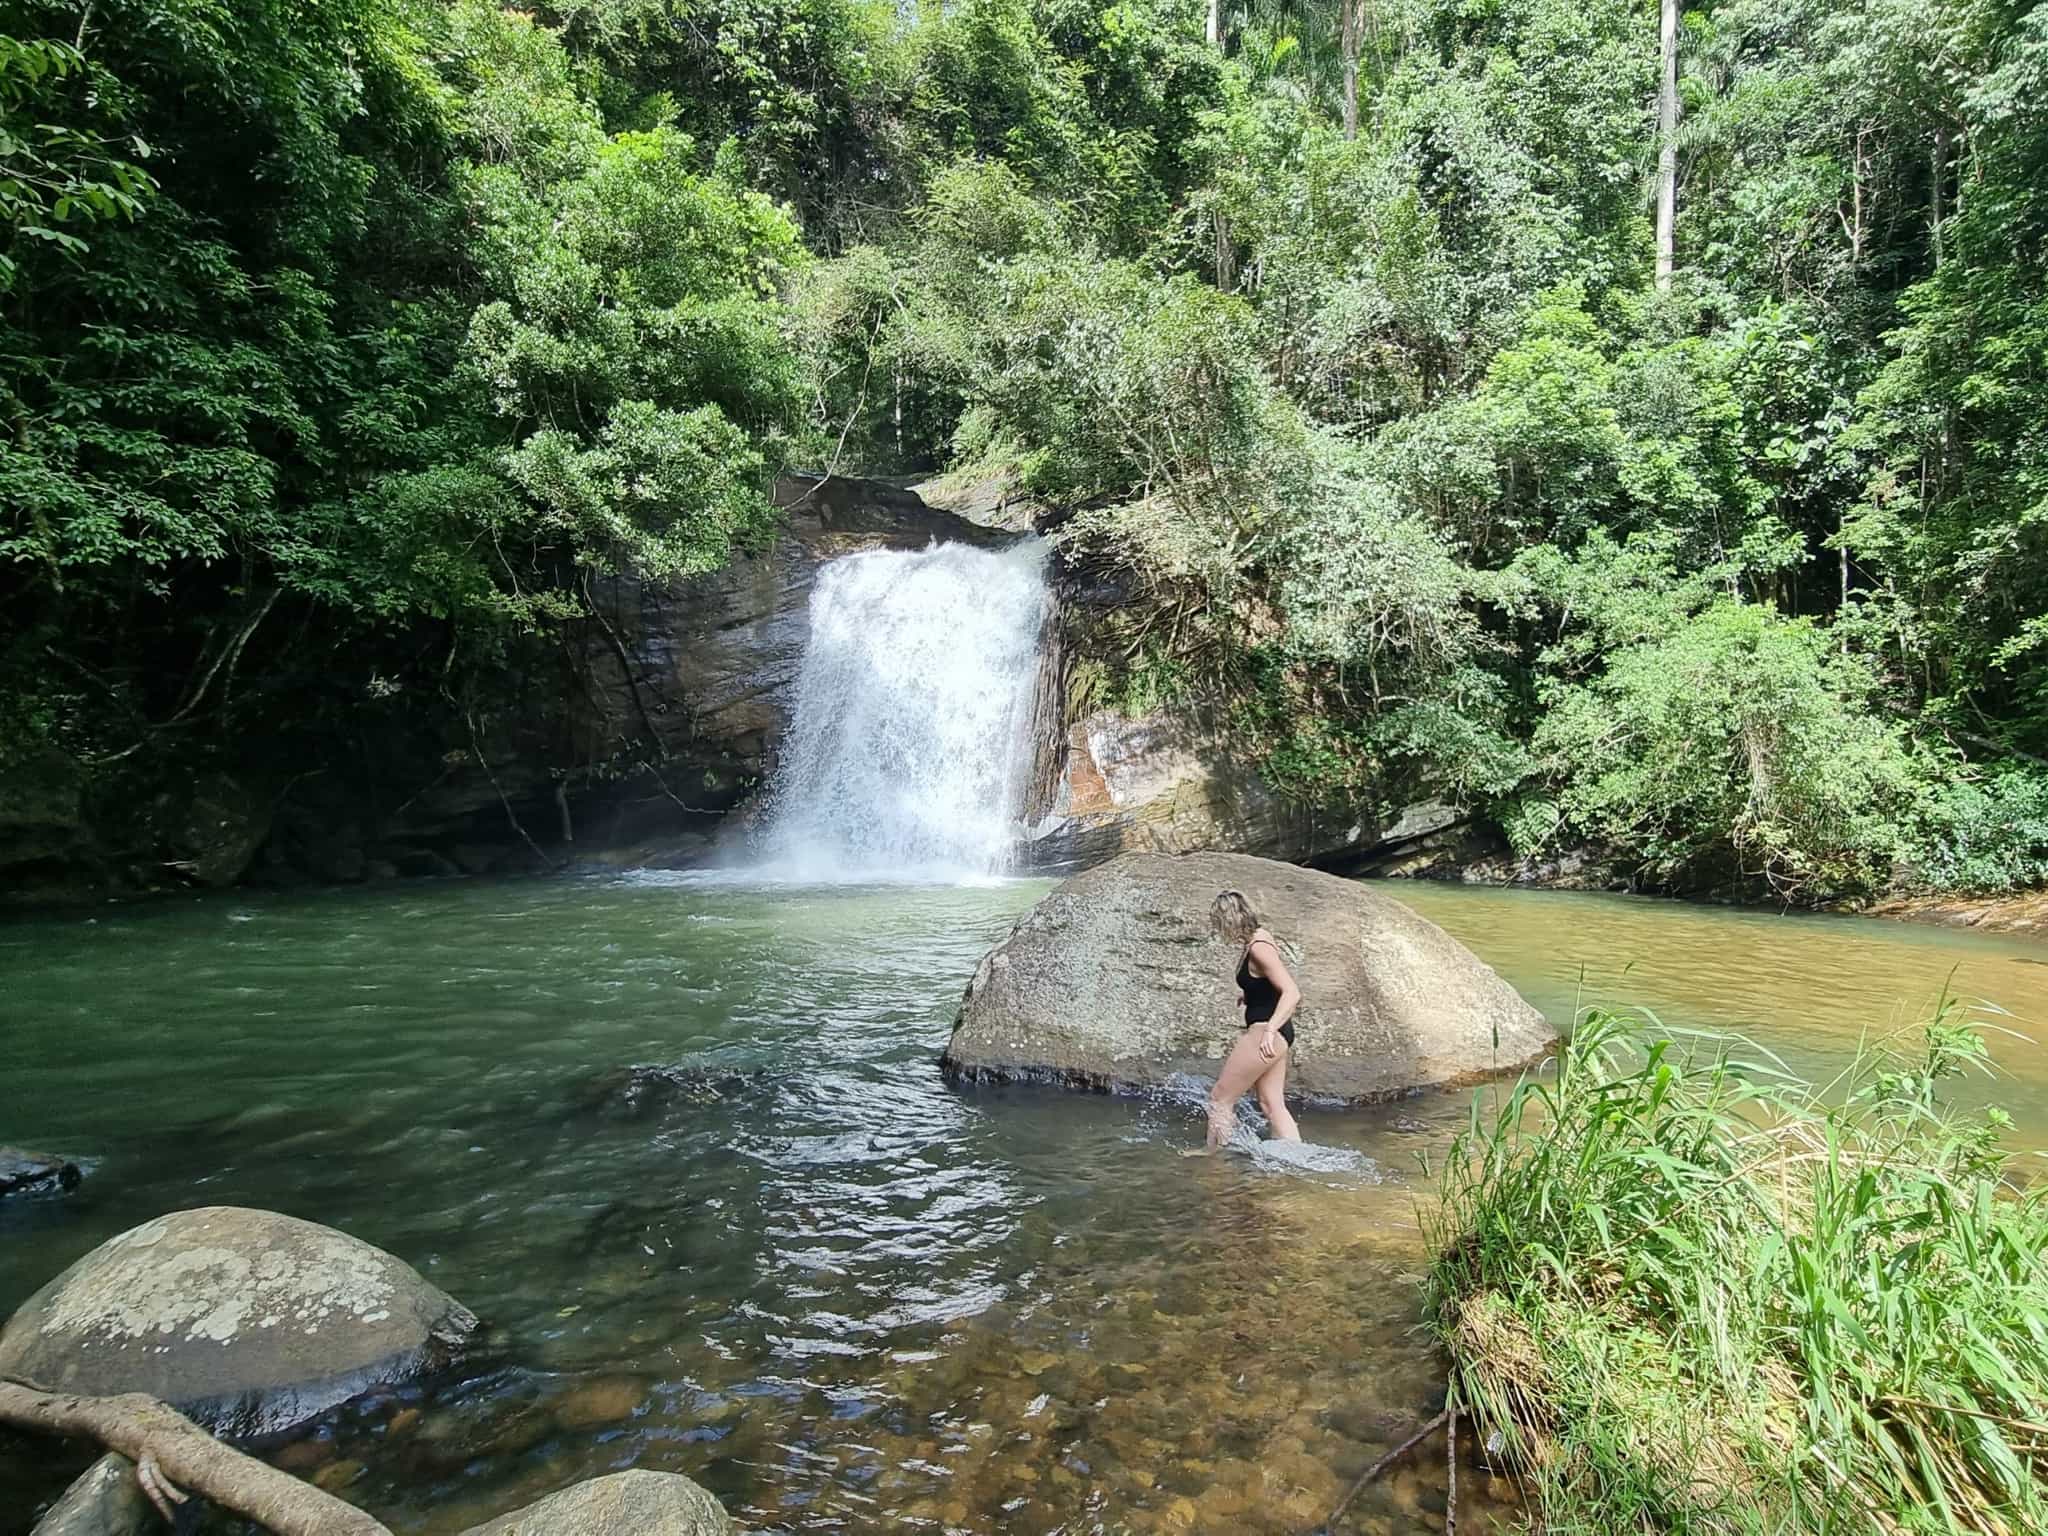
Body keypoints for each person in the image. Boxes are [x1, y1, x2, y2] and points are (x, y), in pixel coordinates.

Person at [1204, 890, 1303, 1150]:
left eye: (1219, 922)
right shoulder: (1259, 938)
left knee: (1219, 1099)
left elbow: (1292, 992)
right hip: (1278, 1033)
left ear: (1231, 919)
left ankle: (1213, 1157)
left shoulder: (1258, 948)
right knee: (1271, 1104)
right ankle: (1296, 1156)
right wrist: (1250, 995)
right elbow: (1266, 983)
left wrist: (1270, 1029)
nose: (1219, 930)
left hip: (1265, 1032)